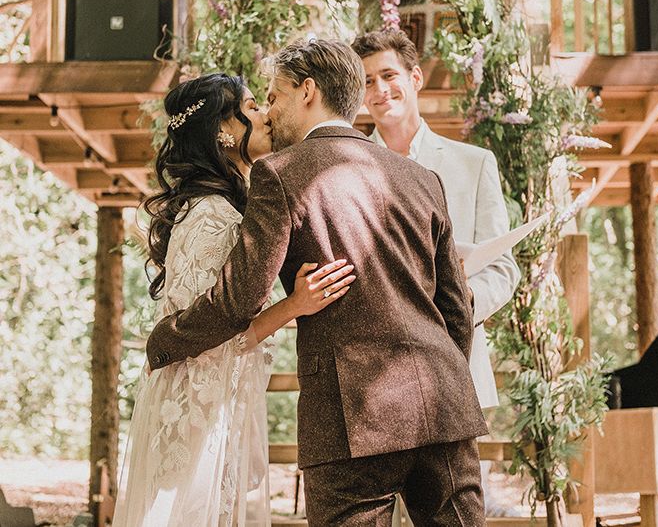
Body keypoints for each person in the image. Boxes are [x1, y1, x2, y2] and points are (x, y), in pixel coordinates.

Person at [146, 40, 488, 526]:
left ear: (307, 91)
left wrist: (168, 339)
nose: (268, 111)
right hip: (444, 410)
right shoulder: (421, 178)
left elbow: (238, 296)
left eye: (274, 95)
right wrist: (446, 378)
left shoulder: (279, 174)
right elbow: (456, 308)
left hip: (349, 420)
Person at [112, 73, 354, 527]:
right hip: (195, 408)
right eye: (251, 106)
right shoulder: (212, 216)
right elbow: (212, 332)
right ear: (223, 129)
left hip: (216, 399)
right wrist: (294, 305)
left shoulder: (225, 207)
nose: (264, 113)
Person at [352, 29, 521, 517]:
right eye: (368, 82)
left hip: (455, 365)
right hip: (374, 374)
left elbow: (503, 267)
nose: (381, 90)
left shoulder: (473, 164)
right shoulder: (349, 165)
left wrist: (464, 303)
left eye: (389, 76)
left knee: (454, 513)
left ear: (415, 78)